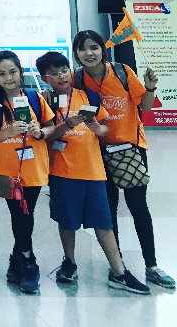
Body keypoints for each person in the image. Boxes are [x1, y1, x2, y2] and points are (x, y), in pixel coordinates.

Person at [36, 52, 150, 294]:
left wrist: (98, 129)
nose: (61, 77)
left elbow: (106, 127)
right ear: (45, 78)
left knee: (103, 222)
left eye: (64, 71)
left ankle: (119, 272)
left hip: (94, 170)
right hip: (62, 171)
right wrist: (66, 125)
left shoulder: (88, 96)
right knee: (67, 221)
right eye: (54, 74)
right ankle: (69, 262)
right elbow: (44, 137)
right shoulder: (44, 102)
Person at [71, 30, 173, 289]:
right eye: (83, 49)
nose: (89, 53)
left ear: (102, 50)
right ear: (76, 53)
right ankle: (118, 267)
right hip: (97, 153)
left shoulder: (122, 72)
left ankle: (152, 266)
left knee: (139, 207)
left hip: (130, 150)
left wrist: (150, 87)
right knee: (108, 211)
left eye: (94, 47)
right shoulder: (77, 78)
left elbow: (146, 107)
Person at [0, 50, 55, 293]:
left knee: (25, 213)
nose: (8, 78)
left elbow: (51, 126)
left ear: (21, 72)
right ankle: (27, 260)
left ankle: (21, 260)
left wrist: (39, 132)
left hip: (33, 168)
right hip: (7, 171)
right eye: (2, 74)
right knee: (19, 214)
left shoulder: (34, 98)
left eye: (12, 72)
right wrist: (8, 133)